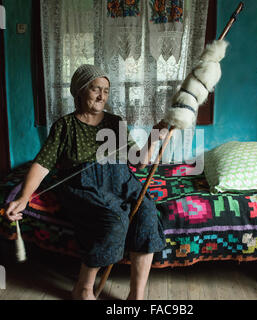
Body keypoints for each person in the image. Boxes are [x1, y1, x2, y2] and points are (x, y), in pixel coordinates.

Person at [4, 64, 168, 300]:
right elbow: (43, 164)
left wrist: (154, 136)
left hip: (120, 180)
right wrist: (23, 197)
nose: (102, 96)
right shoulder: (65, 126)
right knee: (114, 219)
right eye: (95, 89)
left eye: (106, 90)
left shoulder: (115, 122)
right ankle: (82, 288)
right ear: (80, 91)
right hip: (84, 184)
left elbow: (139, 162)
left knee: (148, 213)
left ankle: (137, 295)